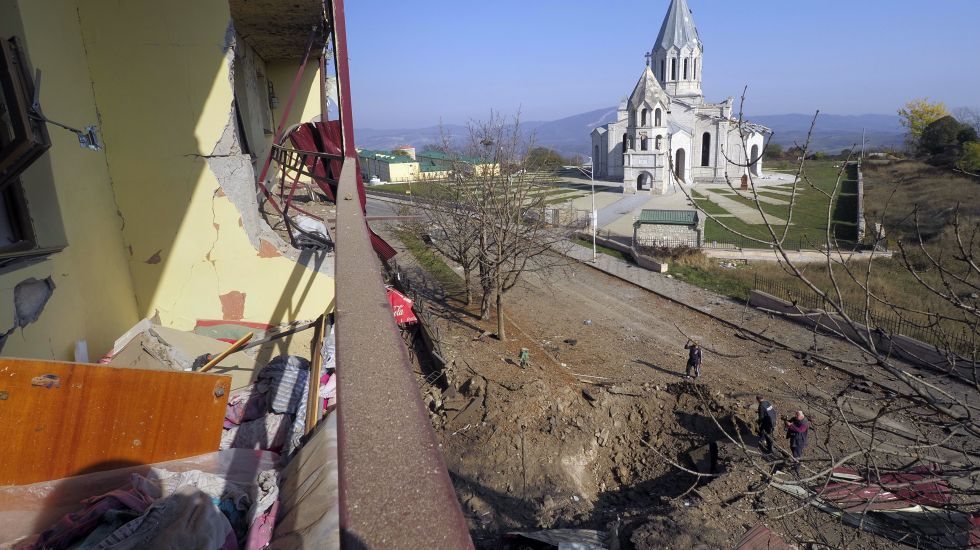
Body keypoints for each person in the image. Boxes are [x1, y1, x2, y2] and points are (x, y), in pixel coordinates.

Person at [785, 411, 809, 476]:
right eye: (795, 415)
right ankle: (794, 464)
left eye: (797, 415)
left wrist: (791, 425)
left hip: (799, 442)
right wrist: (787, 422)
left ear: (802, 416)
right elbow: (790, 421)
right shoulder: (795, 418)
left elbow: (800, 430)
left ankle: (796, 470)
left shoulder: (804, 423)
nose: (795, 416)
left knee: (797, 455)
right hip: (794, 439)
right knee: (793, 451)